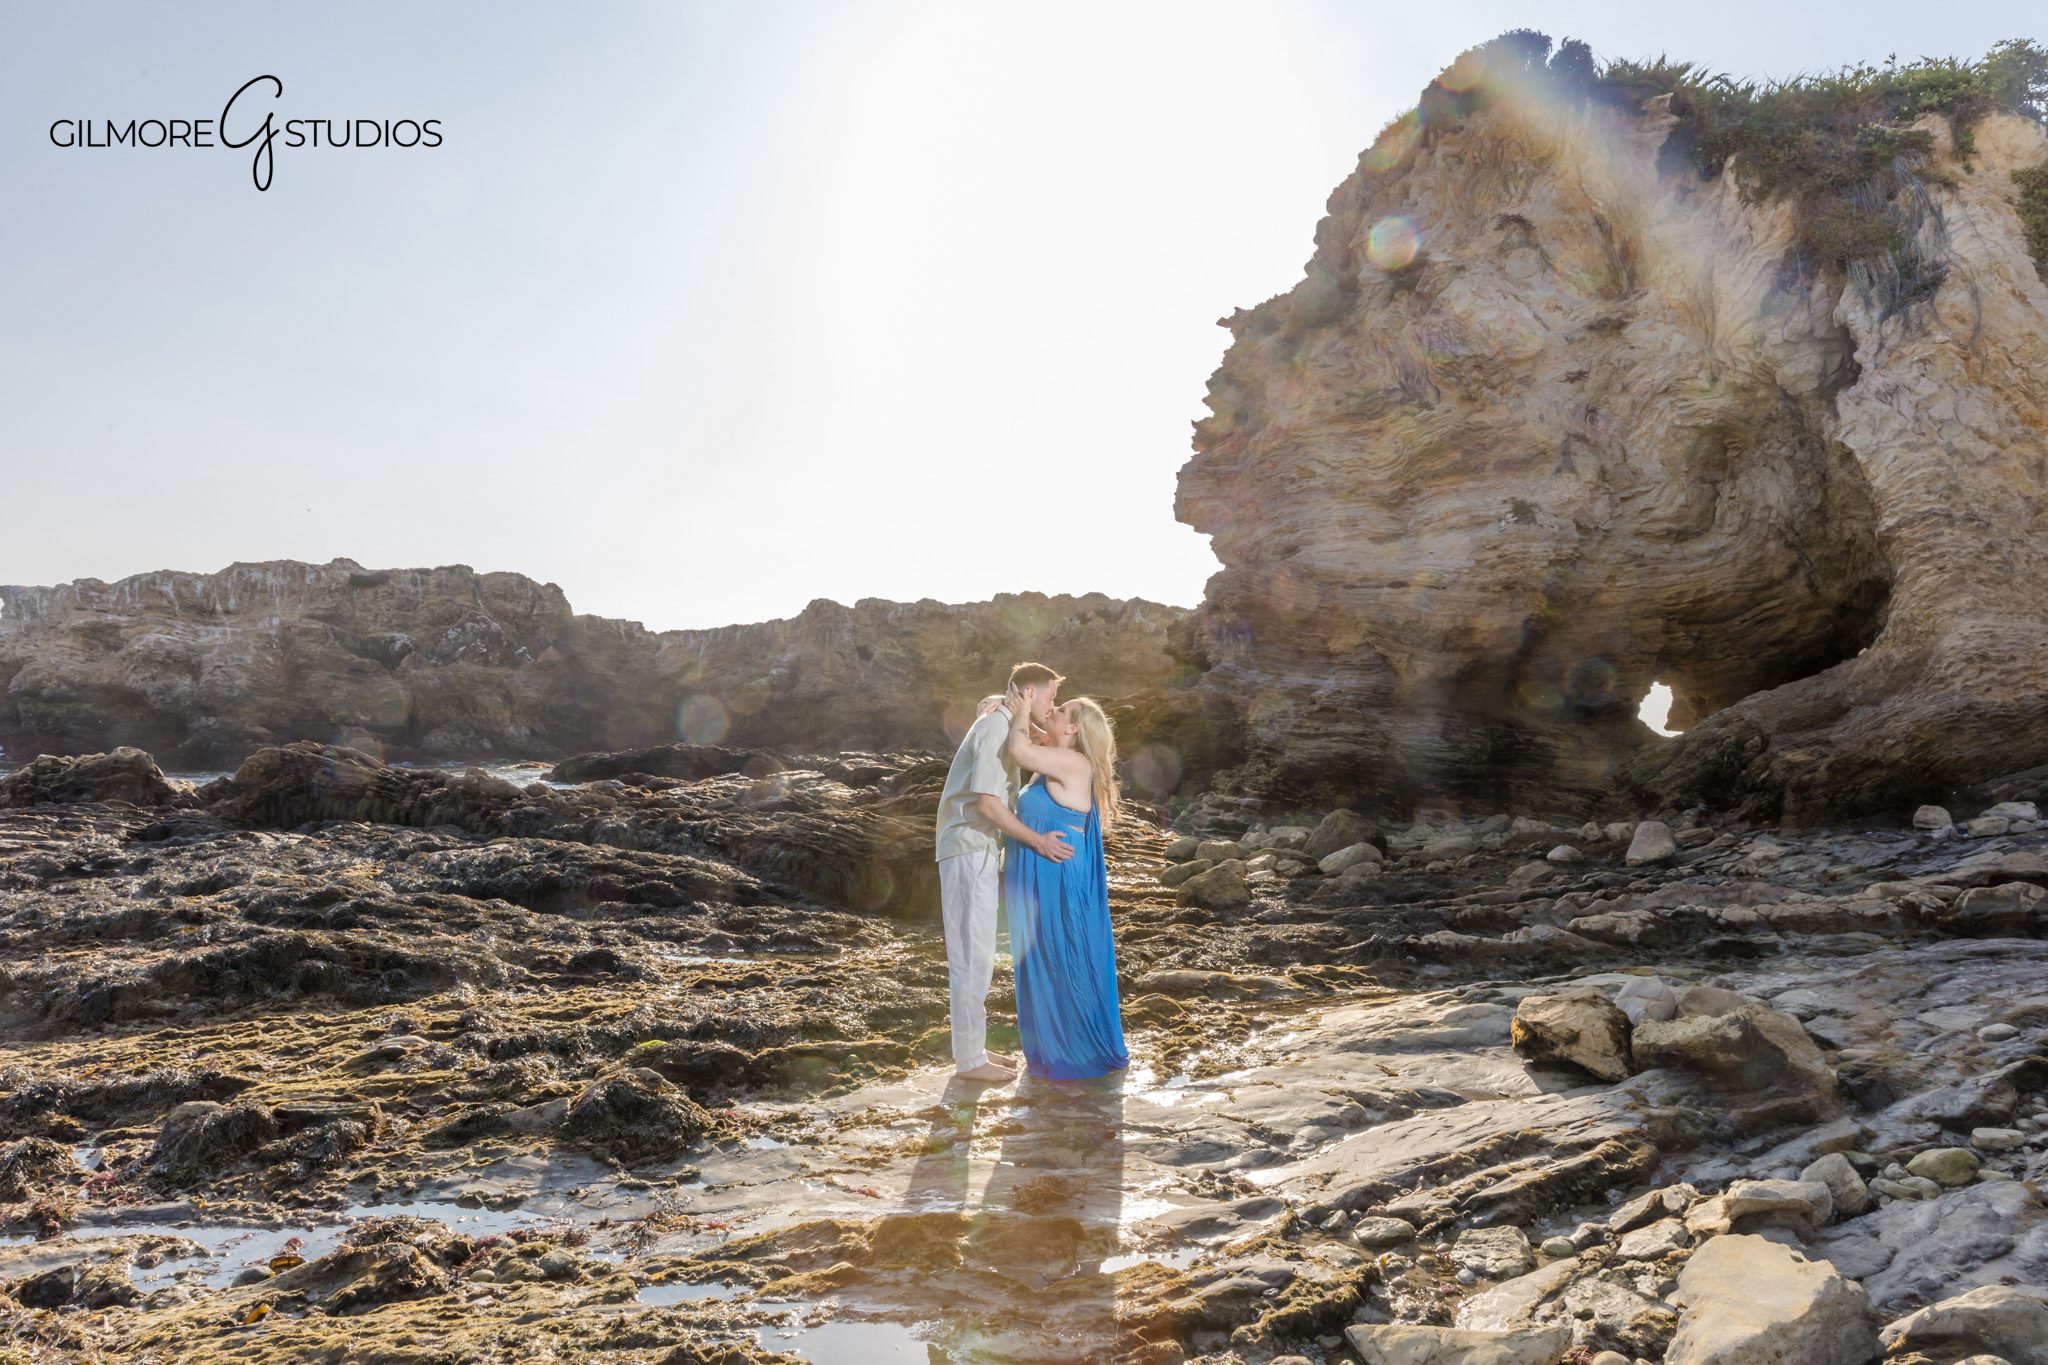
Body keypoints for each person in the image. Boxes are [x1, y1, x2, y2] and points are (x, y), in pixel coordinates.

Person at [933, 661, 1073, 1083]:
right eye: (1050, 696)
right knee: (971, 956)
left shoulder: (1001, 722)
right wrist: (1038, 841)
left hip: (974, 848)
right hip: (967, 848)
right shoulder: (995, 727)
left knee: (977, 953)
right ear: (1029, 692)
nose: (1053, 705)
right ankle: (970, 1061)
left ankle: (971, 1049)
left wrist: (1006, 706)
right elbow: (989, 804)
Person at [997, 687, 1129, 1081]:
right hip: (1043, 868)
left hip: (1055, 872)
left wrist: (1022, 709)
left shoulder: (1072, 762)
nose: (1052, 708)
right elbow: (1028, 739)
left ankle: (1074, 1049)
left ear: (1073, 729)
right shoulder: (1056, 756)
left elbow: (1018, 749)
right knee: (1045, 952)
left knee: (1060, 951)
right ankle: (1050, 1045)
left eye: (1062, 709)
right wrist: (1010, 708)